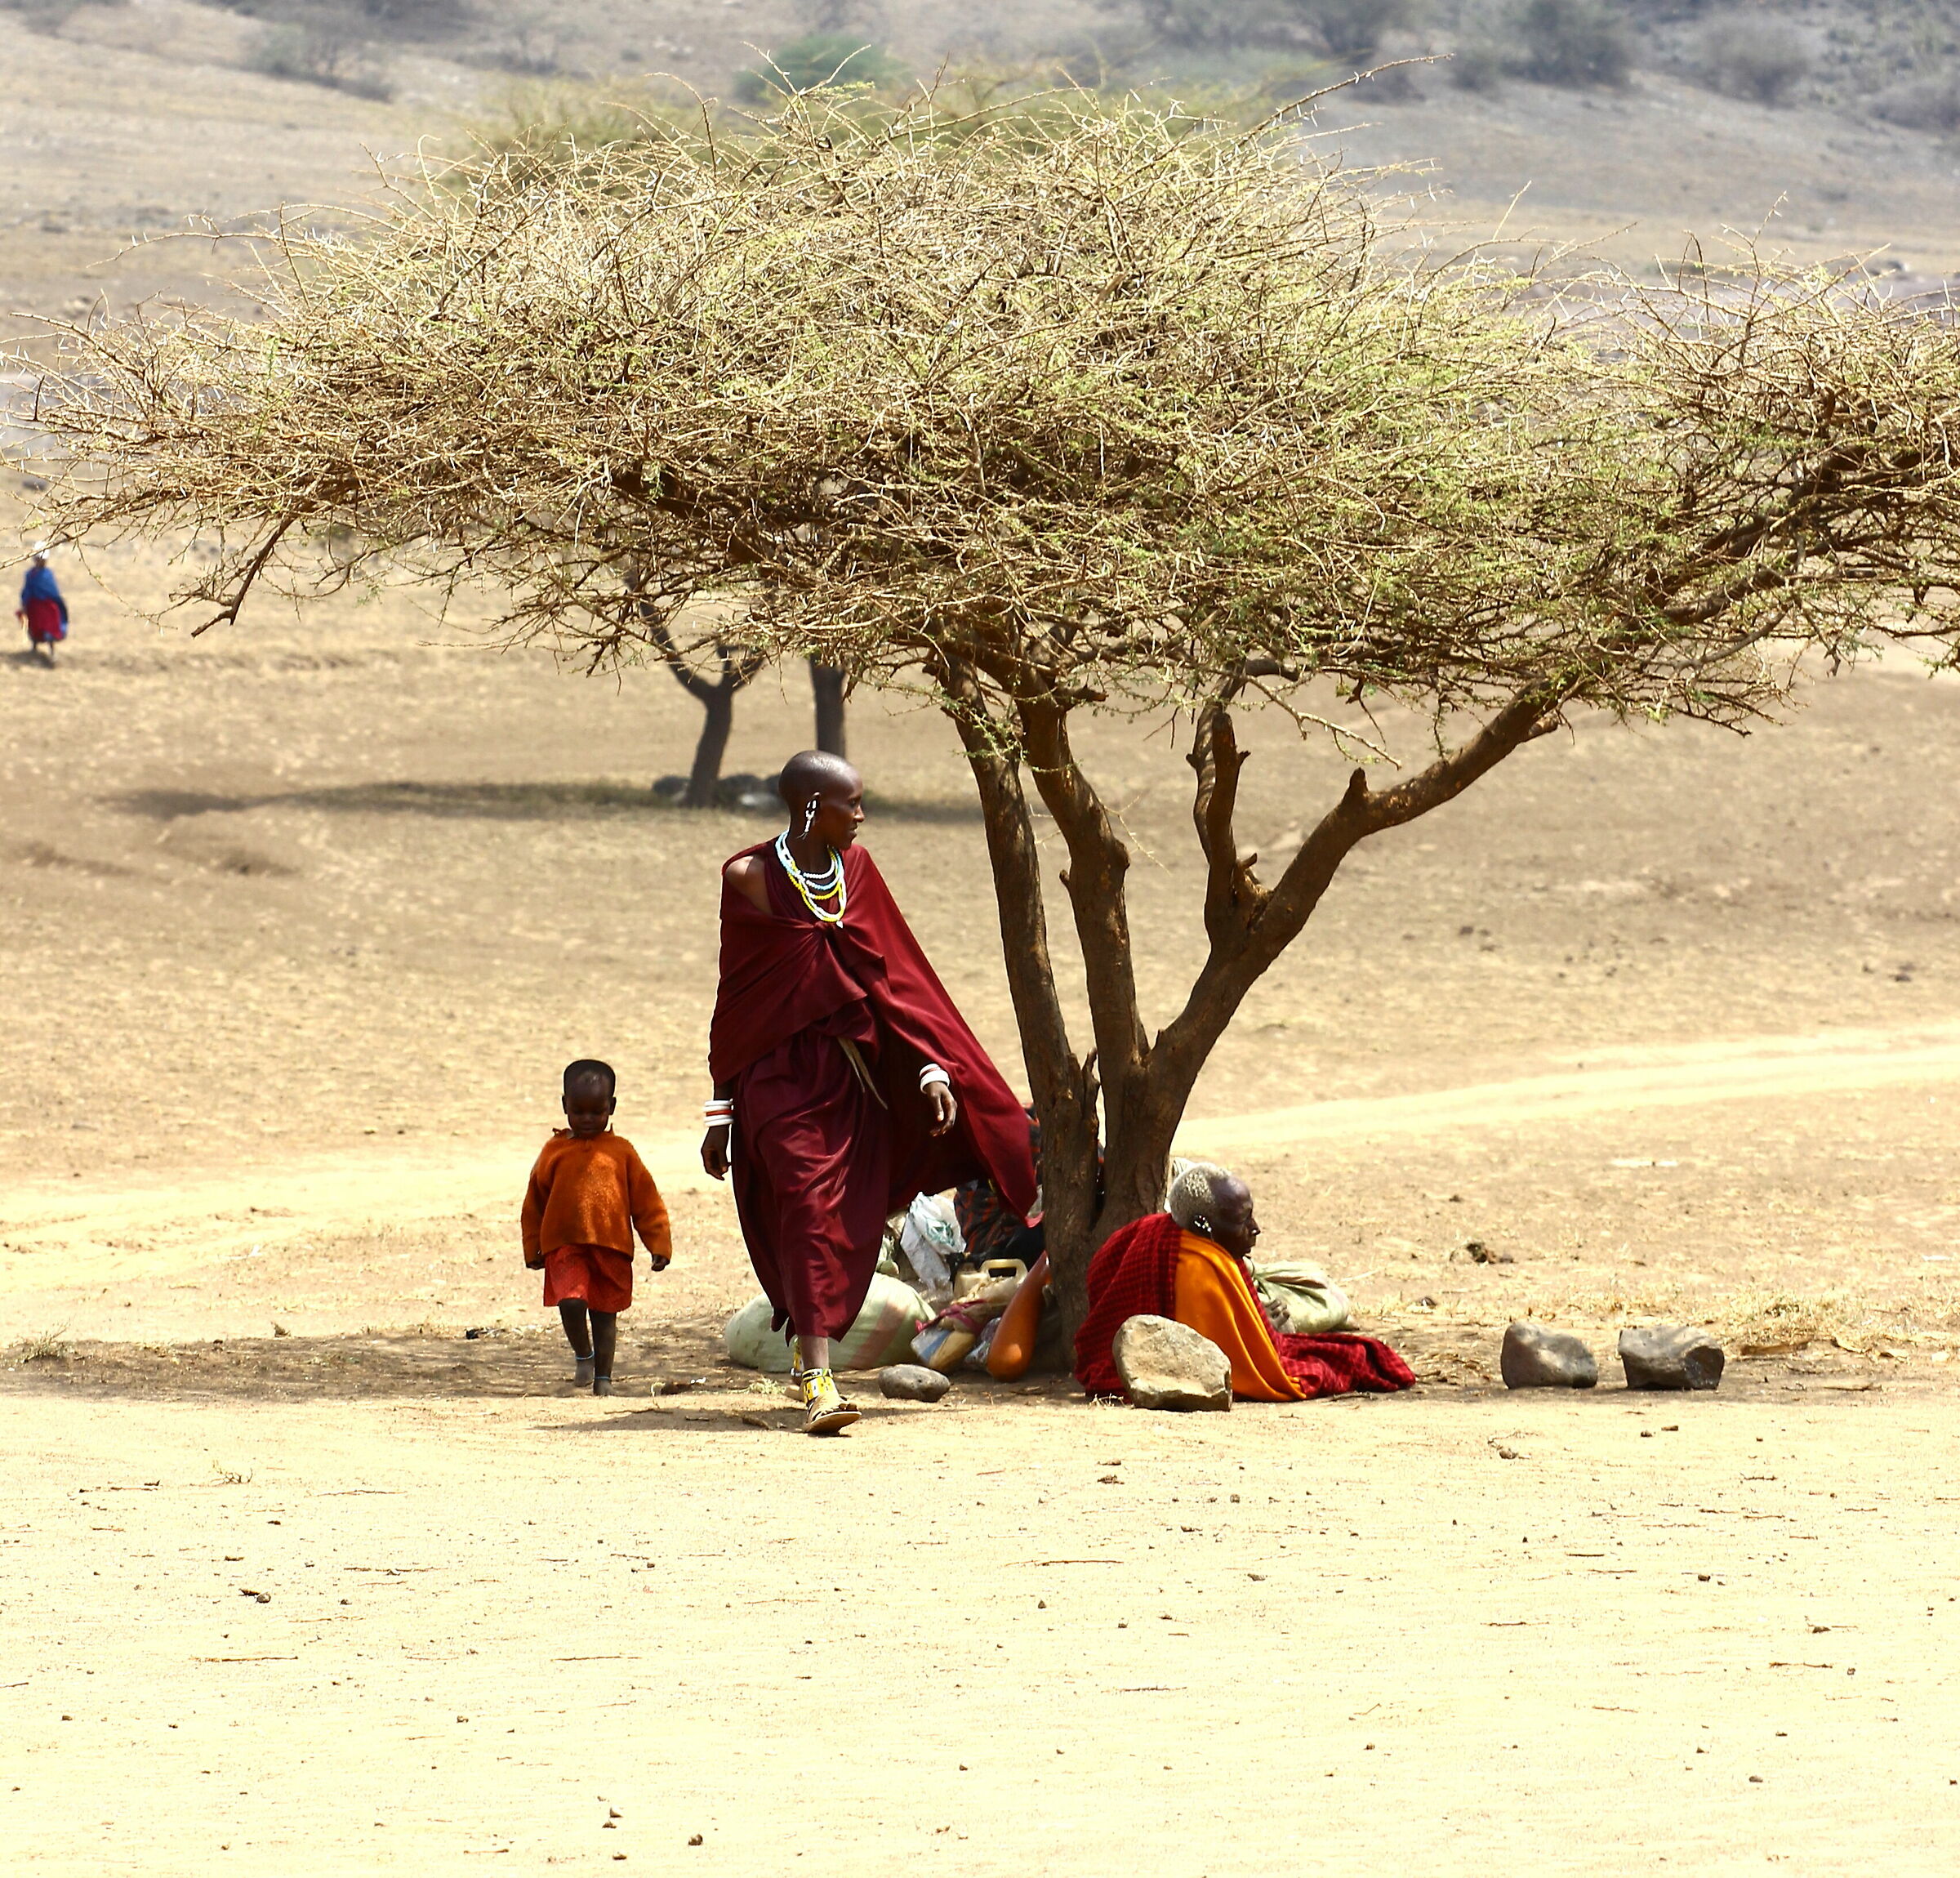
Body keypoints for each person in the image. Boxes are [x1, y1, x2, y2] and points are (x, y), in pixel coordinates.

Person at [703, 751, 1036, 1434]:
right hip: (773, 1080)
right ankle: (820, 1376)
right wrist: (720, 1110)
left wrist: (930, 1068)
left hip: (845, 1075)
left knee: (834, 1218)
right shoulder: (749, 879)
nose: (861, 815)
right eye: (850, 803)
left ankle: (809, 1354)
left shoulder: (857, 874)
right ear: (809, 808)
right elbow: (735, 1001)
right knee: (800, 1201)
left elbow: (896, 981)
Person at [1073, 1162, 1414, 1402]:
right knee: (1349, 1353)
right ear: (1205, 1226)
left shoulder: (1166, 1230)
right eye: (1241, 1221)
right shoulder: (1198, 1270)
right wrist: (1271, 1333)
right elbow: (1243, 1369)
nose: (1256, 1228)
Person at [522, 1059, 672, 1396]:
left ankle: (603, 1378)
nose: (588, 1119)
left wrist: (658, 1243)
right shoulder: (553, 1152)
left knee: (605, 1315)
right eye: (579, 1111)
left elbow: (646, 1201)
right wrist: (533, 1247)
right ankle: (583, 1355)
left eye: (597, 1111)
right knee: (570, 1302)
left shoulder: (622, 1152)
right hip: (565, 1246)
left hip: (612, 1246)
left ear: (612, 1107)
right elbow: (534, 1202)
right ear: (564, 1106)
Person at [16, 546, 68, 665]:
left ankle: (52, 653)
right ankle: (34, 649)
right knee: (35, 628)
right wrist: (24, 603)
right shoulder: (30, 574)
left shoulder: (48, 574)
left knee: (50, 629)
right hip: (35, 607)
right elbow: (27, 590)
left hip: (48, 607)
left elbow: (53, 591)